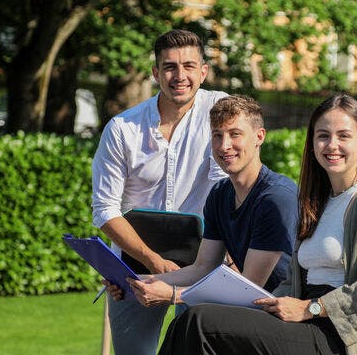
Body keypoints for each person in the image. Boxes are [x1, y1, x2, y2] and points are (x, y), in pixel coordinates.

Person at [145, 93, 357, 355]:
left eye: (343, 136)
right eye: (323, 136)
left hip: (343, 344)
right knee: (197, 324)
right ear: (312, 143)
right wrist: (268, 305)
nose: (331, 145)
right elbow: (291, 284)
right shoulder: (317, 203)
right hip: (304, 324)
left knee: (200, 323)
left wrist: (311, 308)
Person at [91, 29, 227, 355]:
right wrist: (152, 261)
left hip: (203, 260)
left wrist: (226, 256)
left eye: (188, 66)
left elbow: (226, 186)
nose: (179, 76)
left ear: (203, 71)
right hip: (135, 265)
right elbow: (104, 209)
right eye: (169, 67)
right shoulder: (122, 128)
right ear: (155, 73)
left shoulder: (219, 112)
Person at [121, 95, 298, 308]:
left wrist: (174, 295)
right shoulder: (220, 194)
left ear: (259, 137)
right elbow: (203, 267)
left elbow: (249, 287)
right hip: (253, 307)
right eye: (217, 135)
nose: (224, 146)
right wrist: (136, 281)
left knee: (195, 317)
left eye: (235, 134)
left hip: (284, 309)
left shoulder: (276, 197)